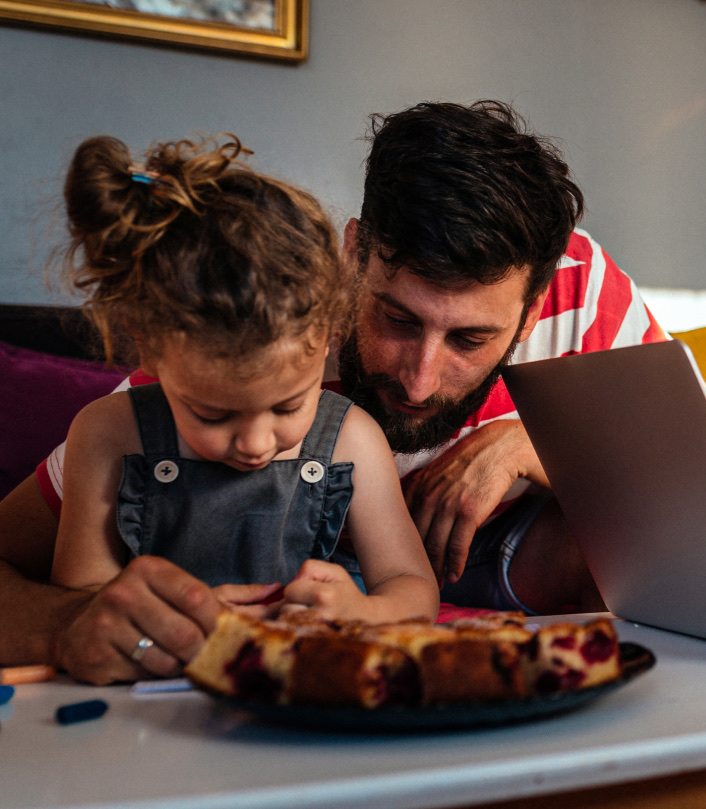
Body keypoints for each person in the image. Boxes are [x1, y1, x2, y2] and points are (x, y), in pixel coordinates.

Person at [0, 100, 668, 684]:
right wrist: (76, 625)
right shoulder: (239, 349)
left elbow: (697, 491)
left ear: (533, 308)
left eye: (469, 339)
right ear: (354, 256)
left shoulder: (586, 295)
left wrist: (532, 444)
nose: (420, 379)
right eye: (397, 319)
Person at [48, 134, 437, 630]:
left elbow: (413, 589)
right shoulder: (107, 434)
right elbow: (81, 604)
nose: (255, 444)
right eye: (212, 414)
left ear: (329, 339)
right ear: (150, 349)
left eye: (288, 406)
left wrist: (363, 610)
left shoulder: (352, 440)